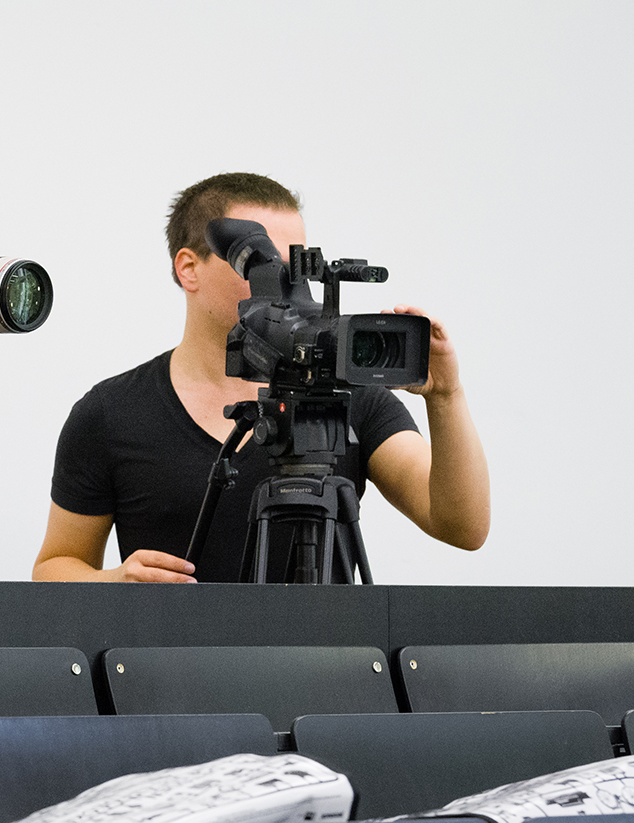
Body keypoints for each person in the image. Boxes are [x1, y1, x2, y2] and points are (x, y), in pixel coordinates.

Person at [32, 172, 489, 584]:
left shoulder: (349, 394)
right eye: (264, 264)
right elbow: (55, 566)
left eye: (297, 264)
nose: (287, 284)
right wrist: (113, 583)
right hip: (173, 671)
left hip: (327, 673)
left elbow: (461, 526)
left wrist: (445, 396)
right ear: (188, 268)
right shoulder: (112, 413)